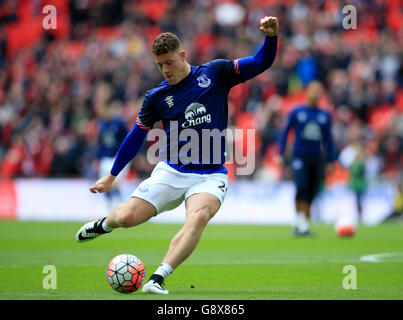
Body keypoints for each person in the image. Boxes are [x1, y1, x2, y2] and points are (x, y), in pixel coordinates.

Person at [75, 16, 279, 294]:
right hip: (172, 170)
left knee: (198, 216)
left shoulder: (215, 73)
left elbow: (261, 63)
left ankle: (157, 278)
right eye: (160, 65)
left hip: (209, 175)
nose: (165, 70)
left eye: (169, 62)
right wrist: (111, 176)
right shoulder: (156, 96)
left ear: (183, 55)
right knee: (126, 218)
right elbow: (136, 136)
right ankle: (105, 224)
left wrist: (271, 37)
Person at [277, 81, 335, 236]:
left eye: (319, 91)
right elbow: (285, 132)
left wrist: (330, 160)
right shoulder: (297, 112)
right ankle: (298, 221)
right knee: (301, 187)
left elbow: (328, 139)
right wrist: (280, 153)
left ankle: (304, 223)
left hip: (316, 157)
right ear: (307, 92)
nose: (316, 94)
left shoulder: (325, 115)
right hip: (299, 156)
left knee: (312, 190)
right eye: (314, 90)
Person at [94, 100, 129, 211]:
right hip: (105, 158)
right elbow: (101, 143)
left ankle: (121, 205)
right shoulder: (102, 124)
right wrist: (97, 158)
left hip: (116, 158)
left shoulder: (119, 124)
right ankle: (109, 208)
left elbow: (127, 139)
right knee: (105, 185)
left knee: (114, 183)